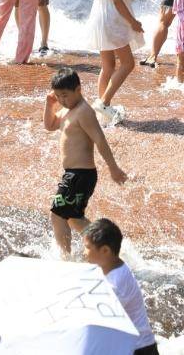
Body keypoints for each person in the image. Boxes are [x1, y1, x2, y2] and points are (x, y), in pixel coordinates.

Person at [44, 69, 127, 257]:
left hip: (80, 174)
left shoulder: (84, 112)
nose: (61, 100)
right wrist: (49, 105)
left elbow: (100, 140)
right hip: (75, 174)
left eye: (65, 95)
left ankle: (66, 258)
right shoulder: (67, 110)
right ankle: (107, 245)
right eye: (58, 96)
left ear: (78, 89)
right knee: (72, 218)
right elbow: (49, 126)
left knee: (59, 214)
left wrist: (113, 168)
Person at [86, 0, 144, 127]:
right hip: (113, 20)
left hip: (101, 19)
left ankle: (103, 111)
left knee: (108, 66)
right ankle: (103, 103)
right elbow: (117, 1)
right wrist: (133, 22)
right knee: (128, 64)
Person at [82, 219, 158, 355]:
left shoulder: (116, 285)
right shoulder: (110, 265)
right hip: (131, 345)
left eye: (88, 247)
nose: (84, 252)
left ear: (105, 250)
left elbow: (99, 322)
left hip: (138, 349)